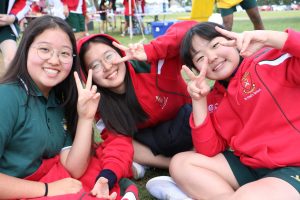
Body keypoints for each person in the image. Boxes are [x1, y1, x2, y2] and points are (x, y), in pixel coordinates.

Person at [0, 15, 138, 200]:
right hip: (22, 188)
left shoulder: (58, 101)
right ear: (25, 49)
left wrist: (86, 117)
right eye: (44, 49)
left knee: (99, 174)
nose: (55, 60)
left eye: (64, 53)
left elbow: (74, 168)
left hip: (47, 178)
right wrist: (47, 189)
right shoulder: (6, 97)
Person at [166, 22, 300, 199]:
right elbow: (208, 150)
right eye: (200, 58)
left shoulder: (268, 61)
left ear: (233, 40)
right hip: (251, 166)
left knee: (248, 195)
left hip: (294, 165)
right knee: (181, 163)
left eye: (215, 45)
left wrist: (268, 38)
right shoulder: (213, 97)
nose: (211, 57)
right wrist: (199, 101)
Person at [77, 20, 197, 180]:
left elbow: (192, 29)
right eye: (95, 66)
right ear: (88, 75)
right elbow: (117, 143)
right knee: (121, 146)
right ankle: (175, 163)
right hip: (154, 140)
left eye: (109, 56)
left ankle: (192, 157)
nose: (107, 67)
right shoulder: (99, 103)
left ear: (120, 53)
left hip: (188, 124)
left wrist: (151, 50)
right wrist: (108, 176)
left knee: (198, 113)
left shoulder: (150, 65)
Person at [0, 0, 33, 71]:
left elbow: (25, 2)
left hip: (6, 25)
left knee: (12, 59)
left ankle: (13, 81)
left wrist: (13, 17)